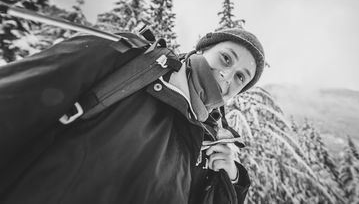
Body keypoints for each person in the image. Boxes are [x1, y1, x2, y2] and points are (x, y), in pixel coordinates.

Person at [0, 28, 265, 203]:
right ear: (201, 50)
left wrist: (230, 180)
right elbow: (16, 99)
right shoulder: (129, 60)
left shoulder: (207, 144)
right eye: (226, 58)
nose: (226, 75)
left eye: (240, 77)